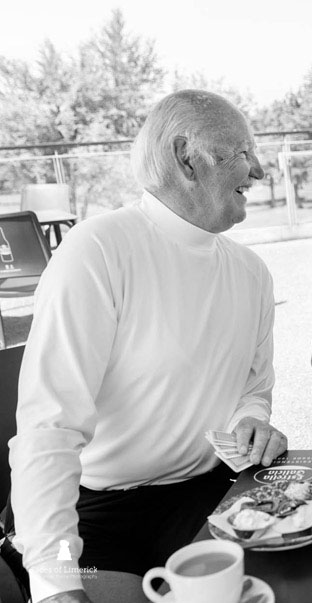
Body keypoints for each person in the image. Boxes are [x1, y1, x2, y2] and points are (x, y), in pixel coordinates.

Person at [9, 90, 288, 603]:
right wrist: (52, 580)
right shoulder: (97, 252)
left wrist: (252, 417)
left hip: (208, 497)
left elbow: (254, 385)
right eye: (245, 153)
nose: (259, 172)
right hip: (96, 515)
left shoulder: (252, 273)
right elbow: (48, 427)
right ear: (187, 159)